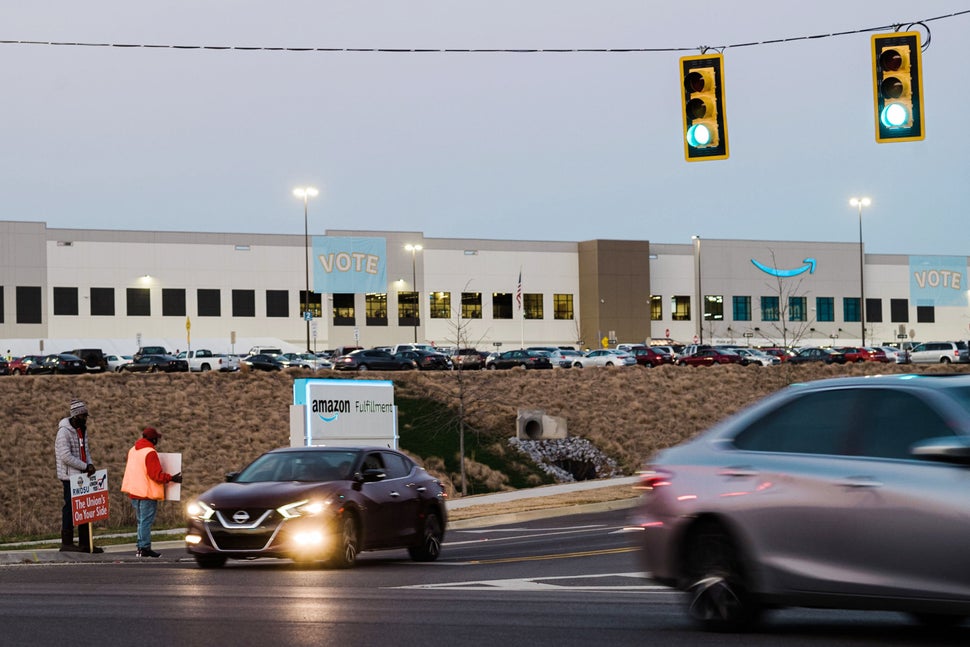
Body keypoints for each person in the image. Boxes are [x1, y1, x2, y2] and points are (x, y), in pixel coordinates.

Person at [121, 427, 181, 558]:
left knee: (140, 521)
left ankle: (140, 547)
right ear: (153, 439)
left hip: (134, 491)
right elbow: (156, 475)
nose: (157, 441)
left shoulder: (133, 450)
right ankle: (144, 548)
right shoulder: (150, 452)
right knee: (145, 522)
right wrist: (172, 478)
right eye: (156, 439)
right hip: (147, 492)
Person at [54, 398, 103, 553]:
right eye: (83, 416)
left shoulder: (82, 430)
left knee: (85, 507)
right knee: (69, 508)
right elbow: (65, 456)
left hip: (83, 476)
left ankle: (85, 542)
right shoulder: (64, 432)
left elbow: (85, 451)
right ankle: (67, 542)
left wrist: (90, 465)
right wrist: (84, 466)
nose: (85, 418)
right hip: (69, 477)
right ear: (76, 416)